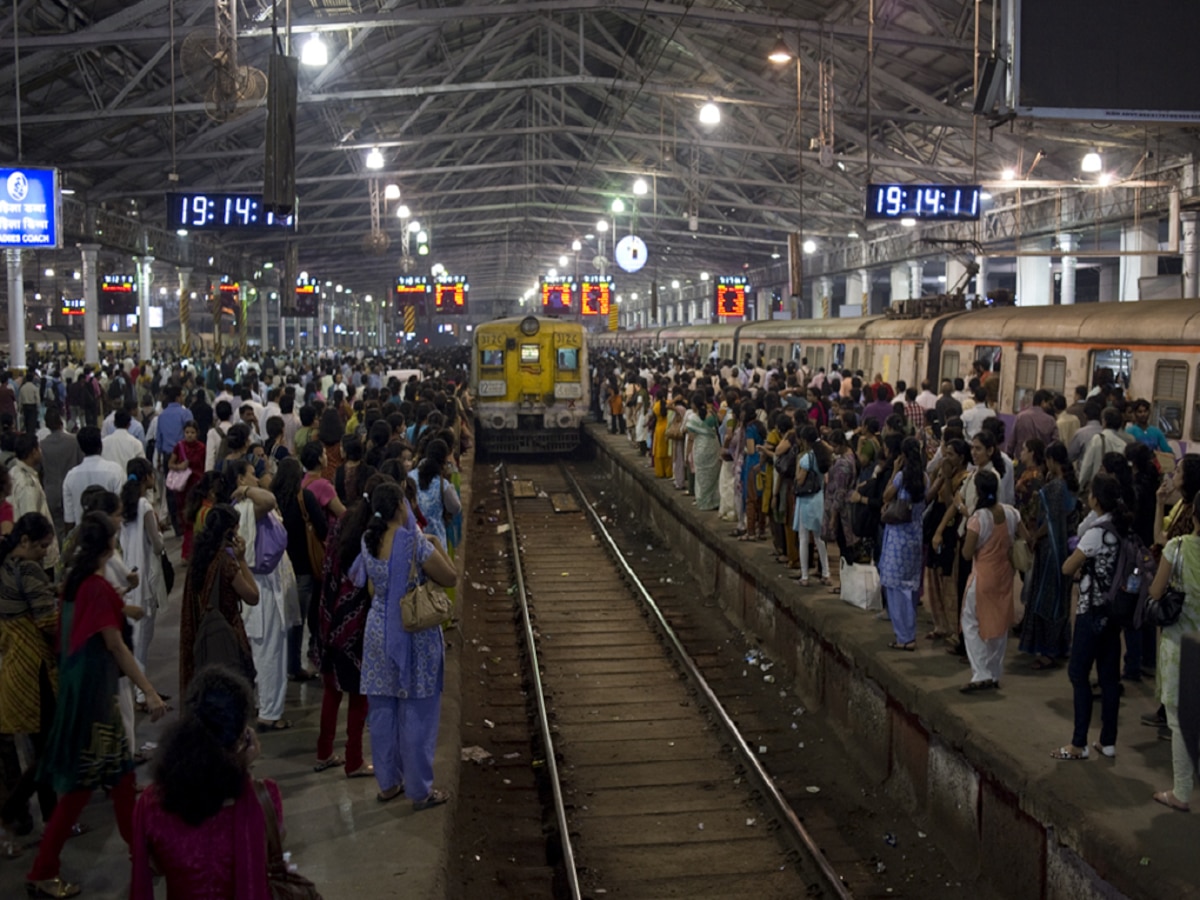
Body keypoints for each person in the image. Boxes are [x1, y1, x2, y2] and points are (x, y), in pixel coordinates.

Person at [25, 513, 167, 898]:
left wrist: (123, 611)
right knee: (83, 791)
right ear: (108, 546)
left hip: (80, 696)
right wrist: (149, 690)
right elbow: (116, 646)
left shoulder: (74, 583)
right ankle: (43, 870)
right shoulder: (96, 588)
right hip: (94, 704)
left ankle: (142, 855)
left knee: (118, 784)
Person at [130, 667, 280, 899]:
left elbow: (148, 872)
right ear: (242, 737)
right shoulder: (265, 799)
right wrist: (243, 768)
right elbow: (271, 854)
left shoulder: (151, 805)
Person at [352, 481, 456, 808]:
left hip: (378, 632)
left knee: (382, 711)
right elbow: (450, 577)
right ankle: (419, 790)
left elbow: (369, 589)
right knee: (417, 713)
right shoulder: (414, 544)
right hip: (414, 635)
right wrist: (437, 543)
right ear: (401, 506)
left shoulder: (367, 542)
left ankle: (387, 784)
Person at [1056, 474, 1129, 760]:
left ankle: (1078, 744)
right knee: (1110, 679)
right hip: (1114, 613)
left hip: (1091, 612)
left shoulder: (1097, 531)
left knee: (1078, 674)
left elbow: (1067, 567)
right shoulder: (1124, 528)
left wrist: (1078, 563)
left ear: (1095, 500)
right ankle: (1107, 743)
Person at [0, 514, 59, 853]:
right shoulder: (28, 569)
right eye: (40, 547)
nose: (42, 554)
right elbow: (48, 621)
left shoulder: (6, 563)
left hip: (14, 665)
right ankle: (14, 811)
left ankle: (50, 819)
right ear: (25, 541)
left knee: (40, 749)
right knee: (48, 751)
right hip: (34, 669)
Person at [311, 480, 377, 777]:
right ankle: (354, 760)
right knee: (358, 695)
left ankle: (324, 752)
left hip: (327, 618)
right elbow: (367, 584)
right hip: (354, 627)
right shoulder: (370, 538)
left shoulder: (341, 527)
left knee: (331, 691)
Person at [226, 461, 293, 731]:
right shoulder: (246, 508)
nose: (259, 478)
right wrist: (244, 490)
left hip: (259, 581)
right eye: (253, 474)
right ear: (241, 478)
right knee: (268, 653)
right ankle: (269, 712)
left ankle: (263, 704)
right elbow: (269, 498)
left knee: (263, 651)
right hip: (259, 585)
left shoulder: (240, 511)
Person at [1146, 496, 1200, 812]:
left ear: (1193, 513)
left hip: (1181, 645)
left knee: (1180, 720)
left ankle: (1181, 791)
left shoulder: (1177, 547)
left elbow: (1155, 592)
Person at [178, 505, 260, 699]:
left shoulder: (198, 559)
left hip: (202, 634)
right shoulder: (226, 564)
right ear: (229, 532)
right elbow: (253, 597)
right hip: (227, 632)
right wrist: (242, 560)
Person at [958, 470, 1020, 692]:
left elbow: (967, 553)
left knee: (971, 621)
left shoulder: (978, 519)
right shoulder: (1012, 513)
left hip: (983, 576)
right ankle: (994, 672)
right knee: (1000, 623)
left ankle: (981, 672)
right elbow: (1026, 537)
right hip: (1005, 575)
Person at [1018, 442, 1078, 669]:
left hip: (1051, 549)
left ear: (1052, 460)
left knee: (1046, 599)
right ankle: (1061, 645)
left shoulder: (1055, 487)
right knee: (1061, 599)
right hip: (1065, 549)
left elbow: (1050, 521)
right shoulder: (1071, 484)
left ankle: (1047, 650)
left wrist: (1034, 537)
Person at [118, 458, 167, 707]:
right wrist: (160, 530)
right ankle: (141, 693)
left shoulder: (124, 504)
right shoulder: (145, 505)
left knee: (135, 637)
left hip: (129, 572)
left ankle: (138, 690)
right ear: (147, 476)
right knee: (142, 640)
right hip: (146, 576)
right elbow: (157, 546)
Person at [272, 458, 326, 682]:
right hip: (303, 567)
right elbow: (322, 527)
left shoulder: (271, 501)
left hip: (278, 567)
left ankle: (278, 663)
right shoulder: (305, 498)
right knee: (298, 619)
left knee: (279, 619)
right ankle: (294, 664)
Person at [880, 437, 927, 648]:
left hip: (898, 536)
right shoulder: (924, 477)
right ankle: (910, 633)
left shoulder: (901, 476)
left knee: (895, 586)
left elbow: (886, 496)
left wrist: (894, 471)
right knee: (910, 586)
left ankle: (904, 637)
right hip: (916, 534)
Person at [9, 433, 60, 571]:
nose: (41, 452)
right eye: (39, 448)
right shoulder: (27, 485)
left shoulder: (14, 472)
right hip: (35, 558)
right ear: (33, 452)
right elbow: (31, 524)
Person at [61, 426, 124, 531]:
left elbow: (69, 520)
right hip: (109, 536)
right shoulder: (115, 471)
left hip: (84, 537)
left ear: (81, 448)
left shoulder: (70, 477)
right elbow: (120, 508)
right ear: (101, 445)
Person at [790, 426, 830, 586]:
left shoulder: (807, 459)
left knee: (803, 538)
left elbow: (800, 480)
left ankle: (805, 576)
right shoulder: (823, 456)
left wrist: (798, 469)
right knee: (820, 538)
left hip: (806, 501)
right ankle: (826, 573)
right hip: (819, 498)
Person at [408, 439, 461, 549]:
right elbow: (455, 508)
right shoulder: (443, 484)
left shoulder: (410, 477)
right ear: (445, 459)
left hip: (413, 538)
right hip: (436, 542)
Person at [39, 409, 81, 541]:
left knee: (56, 528)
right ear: (61, 423)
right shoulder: (74, 442)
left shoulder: (42, 445)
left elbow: (40, 471)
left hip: (51, 491)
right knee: (73, 526)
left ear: (47, 425)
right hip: (71, 490)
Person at [168, 420, 207, 560]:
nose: (189, 435)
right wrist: (179, 467)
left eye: (192, 432)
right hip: (183, 488)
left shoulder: (202, 448)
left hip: (196, 487)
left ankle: (189, 552)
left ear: (197, 433)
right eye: (187, 432)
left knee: (194, 517)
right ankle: (188, 551)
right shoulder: (179, 447)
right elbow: (170, 463)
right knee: (185, 519)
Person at [685, 393, 720, 512]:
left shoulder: (693, 418)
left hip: (700, 448)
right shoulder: (712, 414)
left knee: (701, 475)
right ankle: (714, 500)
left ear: (694, 405)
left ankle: (703, 501)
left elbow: (690, 438)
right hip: (713, 446)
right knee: (713, 474)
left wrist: (687, 454)